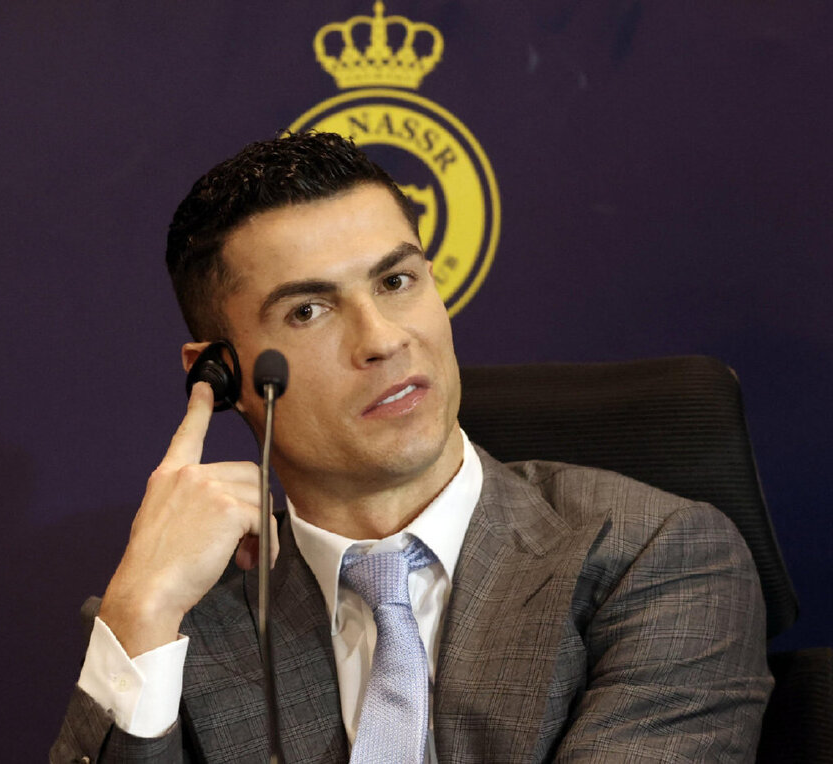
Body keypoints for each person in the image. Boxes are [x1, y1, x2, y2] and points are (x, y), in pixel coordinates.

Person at [51, 132, 772, 763]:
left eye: (396, 281)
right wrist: (138, 612)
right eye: (309, 310)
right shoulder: (176, 630)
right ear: (221, 372)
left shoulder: (655, 558)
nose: (383, 339)